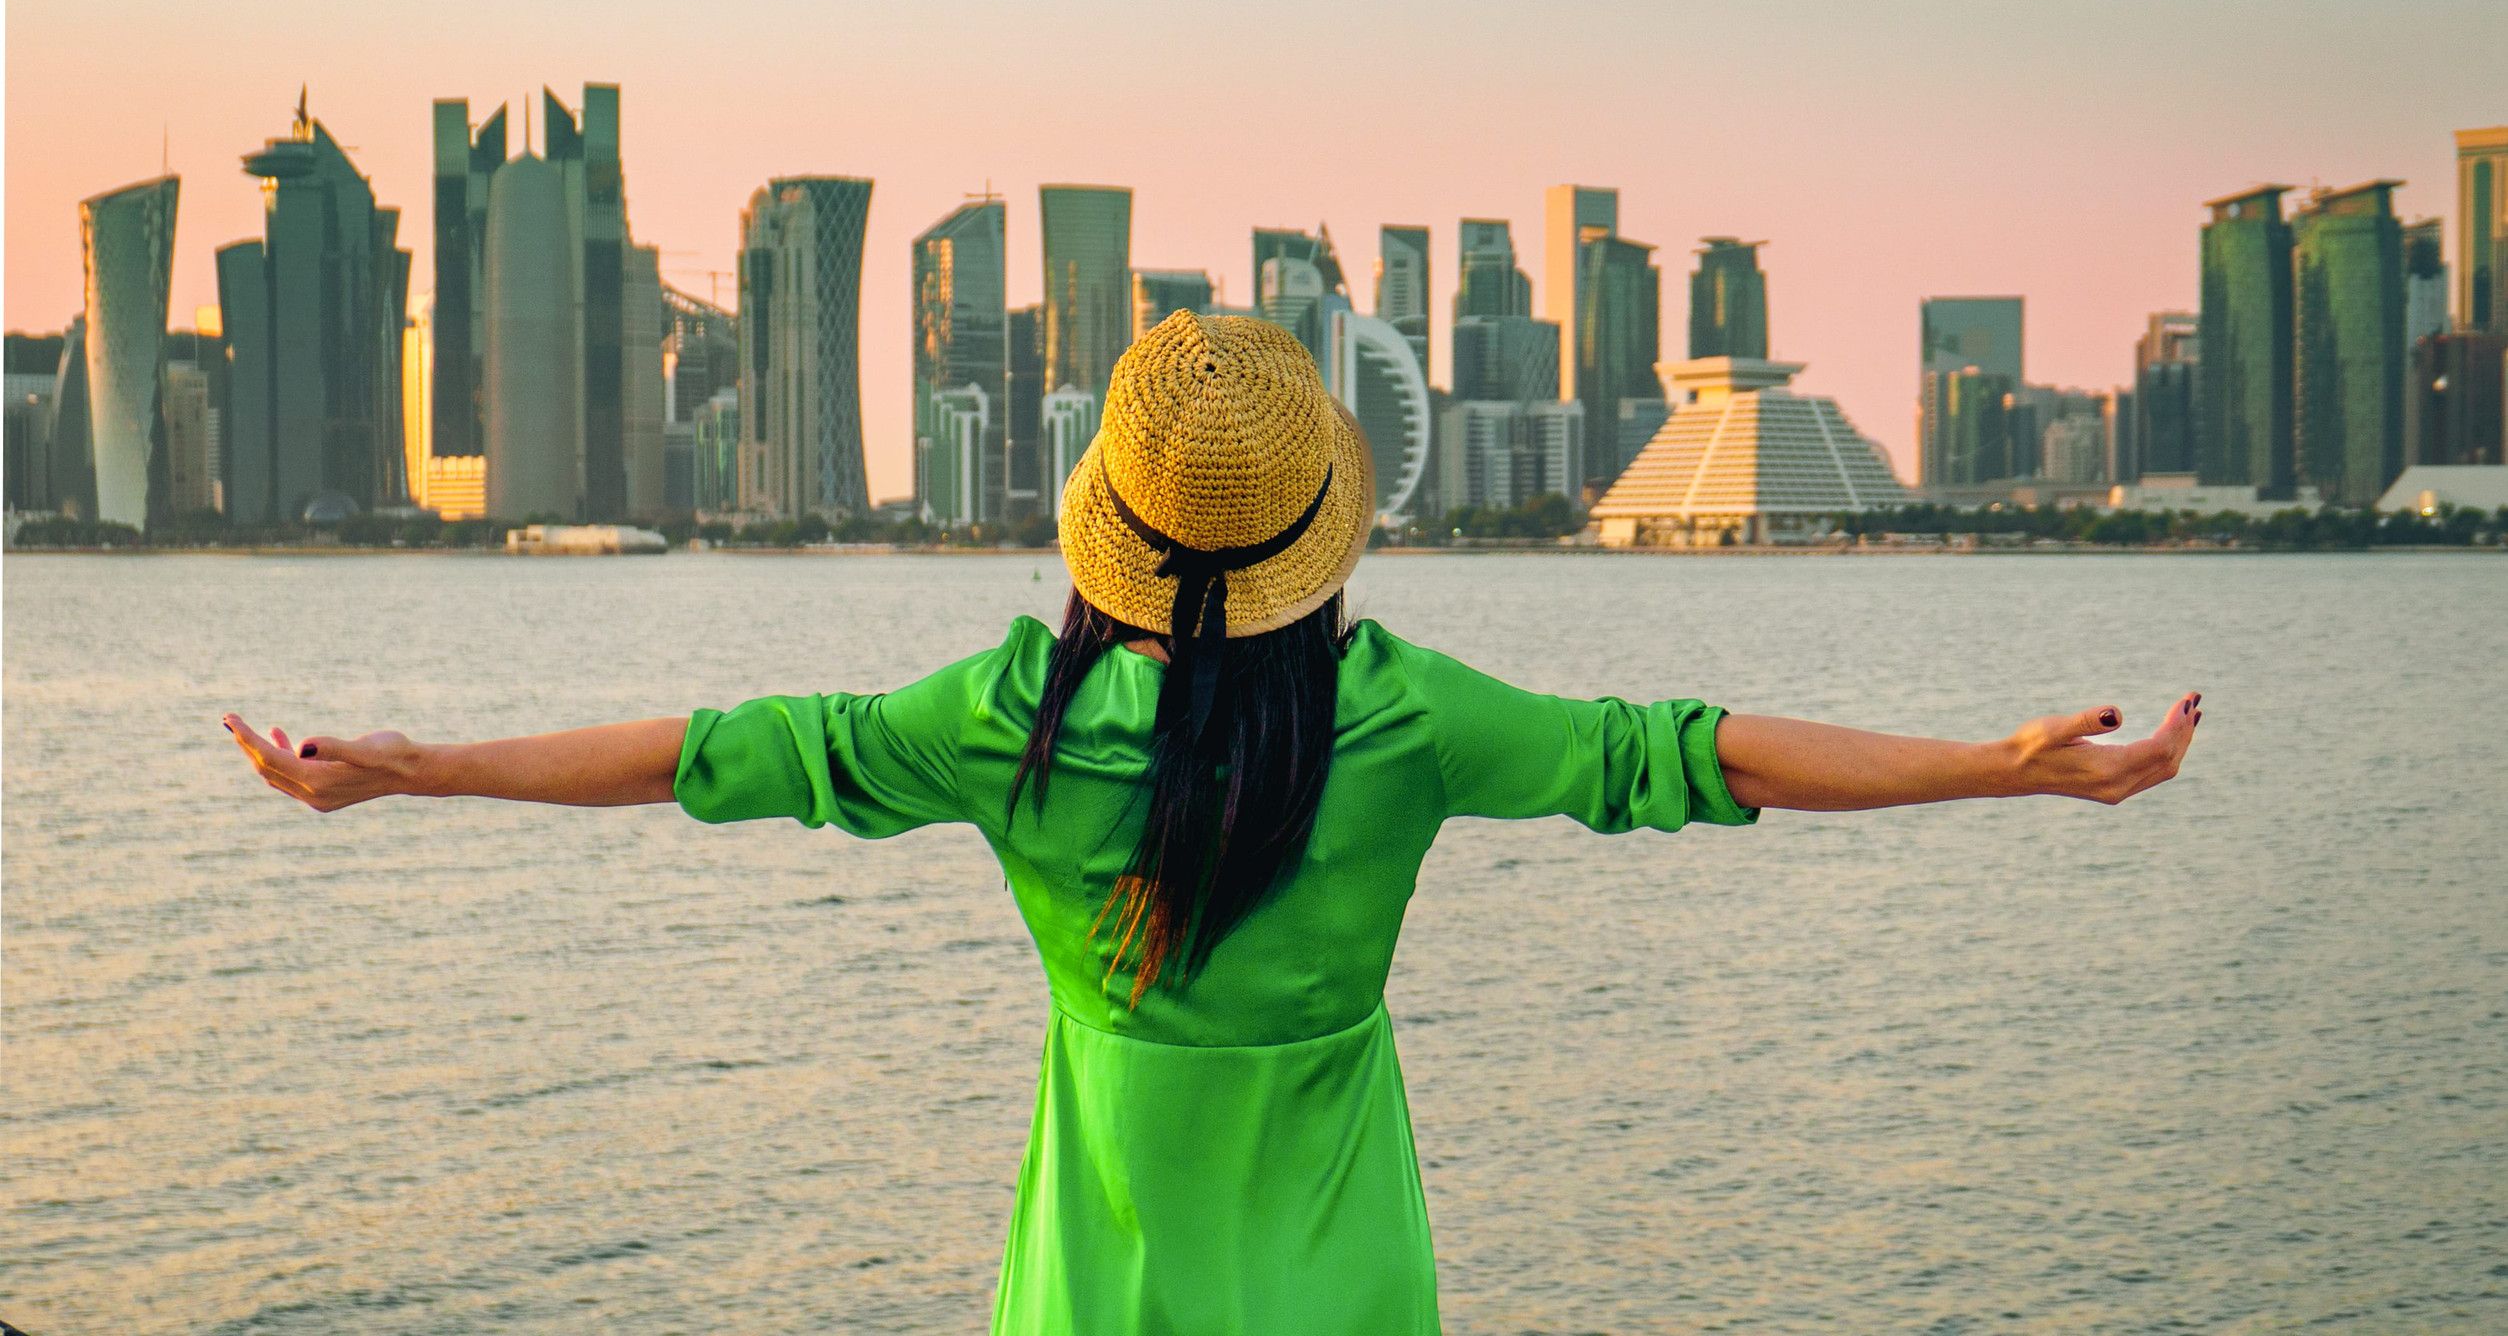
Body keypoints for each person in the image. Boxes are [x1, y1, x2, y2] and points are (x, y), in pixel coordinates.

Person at [224, 311, 2200, 1335]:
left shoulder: (1015, 717)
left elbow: (703, 749)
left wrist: (419, 764)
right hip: (1340, 1261)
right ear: (1314, 536)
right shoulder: (1400, 713)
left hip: (1104, 1268)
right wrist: (2007, 762)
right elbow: (1695, 749)